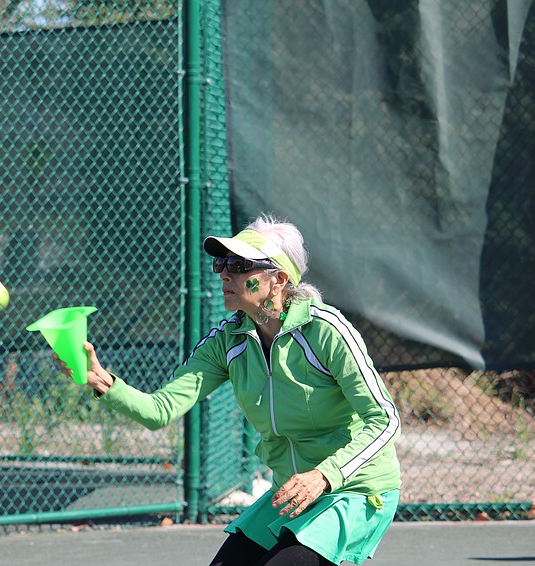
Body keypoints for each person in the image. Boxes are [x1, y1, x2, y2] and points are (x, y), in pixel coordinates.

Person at [54, 214, 401, 565]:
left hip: (356, 490)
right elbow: (159, 411)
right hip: (292, 494)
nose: (224, 273)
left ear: (278, 280)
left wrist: (326, 475)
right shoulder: (226, 341)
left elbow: (385, 418)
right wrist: (103, 381)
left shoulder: (326, 331)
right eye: (222, 262)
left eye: (239, 264)